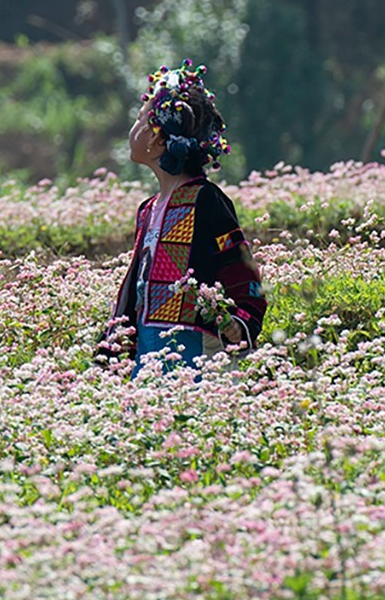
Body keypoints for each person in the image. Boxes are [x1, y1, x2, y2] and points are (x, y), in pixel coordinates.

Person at [107, 60, 267, 371]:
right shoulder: (148, 210)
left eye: (140, 119)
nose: (134, 127)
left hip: (193, 350)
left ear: (156, 139)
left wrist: (238, 320)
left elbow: (238, 265)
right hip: (146, 351)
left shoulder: (206, 200)